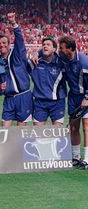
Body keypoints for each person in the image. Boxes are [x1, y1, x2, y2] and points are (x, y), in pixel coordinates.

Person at [0, 13, 33, 126]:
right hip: (9, 99)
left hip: (23, 96)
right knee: (4, 129)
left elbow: (20, 40)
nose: (2, 45)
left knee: (20, 131)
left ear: (9, 44)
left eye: (4, 43)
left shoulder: (17, 54)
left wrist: (13, 23)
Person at [57, 36, 88, 168]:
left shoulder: (84, 61)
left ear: (70, 48)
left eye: (62, 47)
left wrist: (87, 97)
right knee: (74, 127)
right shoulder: (63, 59)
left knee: (86, 128)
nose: (60, 50)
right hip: (73, 97)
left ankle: (86, 159)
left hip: (85, 97)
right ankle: (75, 158)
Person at [27, 37, 67, 126]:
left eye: (48, 45)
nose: (45, 46)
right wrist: (36, 53)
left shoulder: (62, 63)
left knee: (57, 133)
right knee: (38, 132)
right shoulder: (34, 62)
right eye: (43, 45)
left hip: (58, 102)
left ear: (54, 49)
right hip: (40, 102)